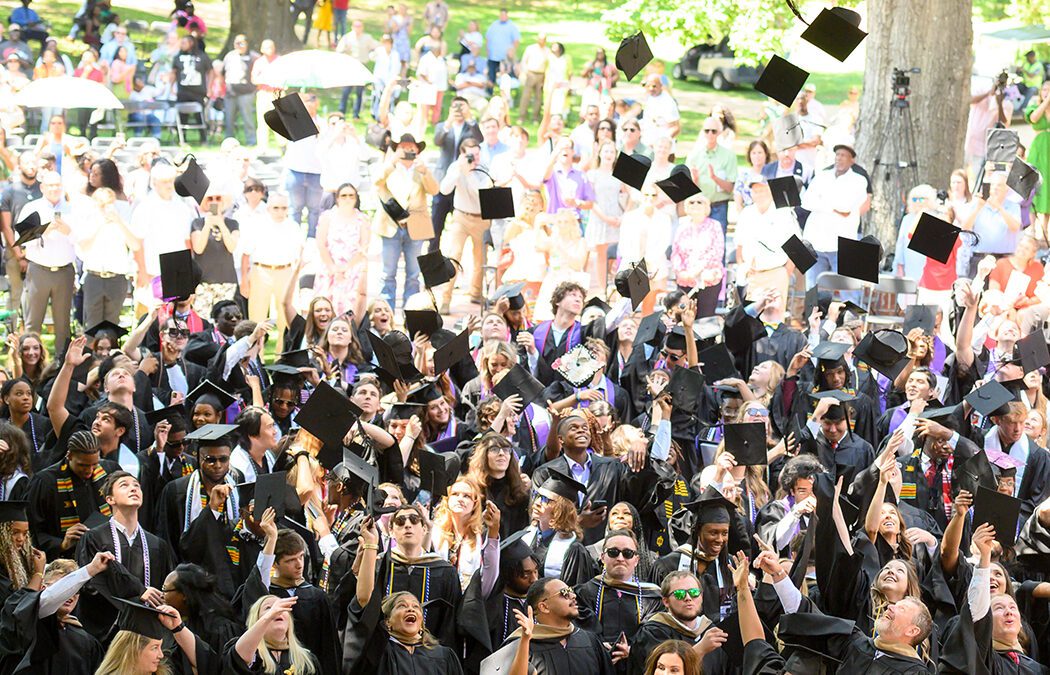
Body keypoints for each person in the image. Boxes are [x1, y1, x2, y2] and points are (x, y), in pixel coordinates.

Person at [374, 134, 438, 310]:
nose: (408, 151)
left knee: (413, 274)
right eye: (403, 147)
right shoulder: (389, 167)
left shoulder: (422, 169)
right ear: (396, 149)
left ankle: (411, 313)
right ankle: (386, 313)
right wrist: (392, 162)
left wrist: (425, 171)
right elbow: (376, 181)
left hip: (416, 228)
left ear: (417, 150)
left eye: (411, 148)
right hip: (391, 226)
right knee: (388, 273)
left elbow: (434, 190)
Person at [501, 576, 613, 674]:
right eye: (564, 593)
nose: (573, 596)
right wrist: (525, 641)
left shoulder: (590, 641)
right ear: (544, 607)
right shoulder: (522, 643)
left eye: (571, 591)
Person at [15, 170, 75, 353]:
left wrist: (68, 231)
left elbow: (83, 239)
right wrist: (44, 231)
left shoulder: (71, 208)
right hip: (39, 271)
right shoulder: (32, 208)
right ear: (42, 187)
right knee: (33, 321)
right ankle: (31, 363)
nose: (54, 188)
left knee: (63, 323)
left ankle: (61, 365)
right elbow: (21, 238)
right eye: (50, 185)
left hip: (64, 271)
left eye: (57, 185)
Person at [240, 192, 304, 353]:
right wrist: (244, 281)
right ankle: (255, 358)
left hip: (286, 271)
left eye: (283, 208)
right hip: (261, 271)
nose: (280, 212)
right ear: (268, 208)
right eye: (276, 208)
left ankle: (282, 356)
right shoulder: (257, 224)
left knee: (287, 317)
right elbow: (245, 255)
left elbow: (300, 252)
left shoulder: (293, 226)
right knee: (257, 317)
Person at [800, 144, 869, 289]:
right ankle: (814, 312)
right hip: (815, 241)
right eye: (837, 154)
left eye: (844, 155)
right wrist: (832, 206)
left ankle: (851, 313)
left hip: (844, 244)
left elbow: (845, 208)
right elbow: (806, 202)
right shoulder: (822, 176)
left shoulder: (859, 180)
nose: (839, 158)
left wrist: (821, 200)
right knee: (813, 288)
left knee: (850, 290)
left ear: (852, 160)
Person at [438, 137, 490, 312]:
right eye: (470, 155)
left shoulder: (484, 169)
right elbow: (444, 189)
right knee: (454, 255)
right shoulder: (456, 167)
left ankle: (476, 292)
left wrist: (469, 173)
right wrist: (459, 171)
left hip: (481, 218)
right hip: (460, 216)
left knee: (480, 258)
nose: (474, 159)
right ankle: (446, 298)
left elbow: (483, 194)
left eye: (477, 155)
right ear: (462, 154)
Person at [315, 182, 369, 317]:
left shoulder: (362, 219)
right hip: (329, 270)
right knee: (326, 309)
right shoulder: (327, 217)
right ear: (337, 198)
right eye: (344, 195)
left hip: (352, 272)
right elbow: (321, 244)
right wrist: (333, 268)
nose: (347, 199)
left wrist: (346, 268)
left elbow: (364, 247)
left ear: (356, 198)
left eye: (351, 196)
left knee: (350, 311)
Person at [686, 117, 737, 234]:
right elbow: (687, 189)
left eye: (713, 131)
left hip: (719, 207)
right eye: (706, 130)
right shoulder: (693, 155)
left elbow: (730, 188)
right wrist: (694, 179)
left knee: (718, 247)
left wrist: (715, 178)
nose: (710, 134)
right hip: (697, 206)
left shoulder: (729, 155)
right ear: (702, 132)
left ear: (719, 132)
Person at [336, 20, 378, 120]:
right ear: (352, 27)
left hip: (361, 66)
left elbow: (376, 47)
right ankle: (341, 112)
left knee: (359, 92)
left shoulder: (367, 38)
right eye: (356, 26)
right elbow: (339, 50)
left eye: (359, 26)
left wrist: (372, 54)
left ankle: (356, 114)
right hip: (350, 66)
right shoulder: (347, 37)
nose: (357, 28)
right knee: (346, 91)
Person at [222, 34, 258, 146]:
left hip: (246, 92)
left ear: (247, 44)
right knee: (229, 119)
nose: (239, 45)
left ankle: (251, 141)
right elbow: (222, 73)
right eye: (236, 42)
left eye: (241, 43)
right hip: (231, 92)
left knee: (247, 118)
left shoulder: (253, 56)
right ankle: (229, 142)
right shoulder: (229, 56)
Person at [1026, 80, 1050, 238]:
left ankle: (1046, 230)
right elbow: (1034, 118)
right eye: (1045, 89)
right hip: (1038, 150)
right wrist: (1047, 100)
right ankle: (1032, 229)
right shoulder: (1034, 105)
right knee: (1036, 186)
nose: (1046, 91)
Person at [639, 75, 680, 148]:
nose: (651, 88)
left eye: (654, 86)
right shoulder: (650, 97)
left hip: (661, 147)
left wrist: (661, 143)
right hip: (647, 142)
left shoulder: (667, 102)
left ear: (661, 86)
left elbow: (675, 128)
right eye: (648, 86)